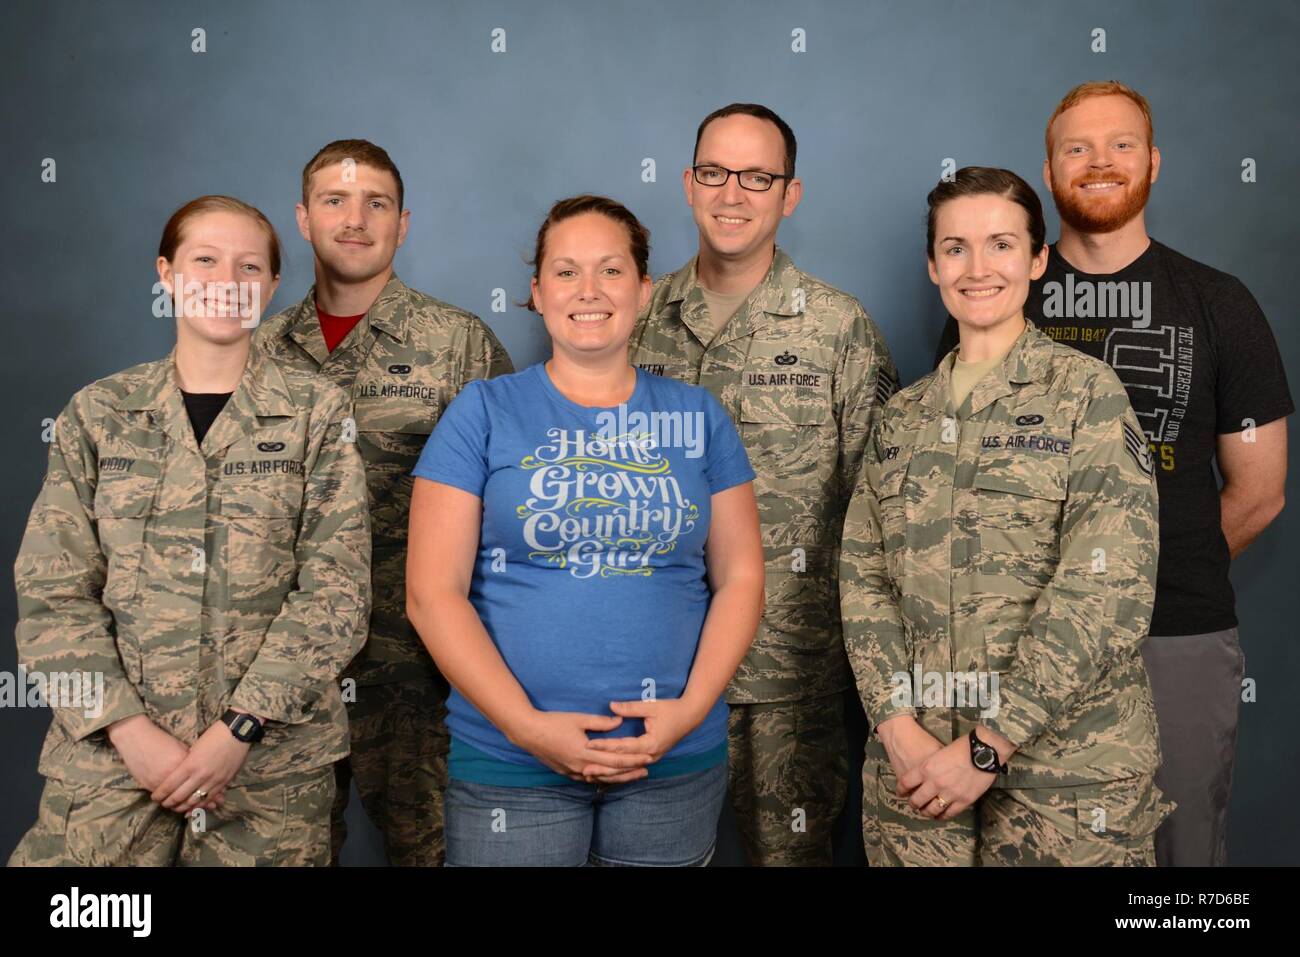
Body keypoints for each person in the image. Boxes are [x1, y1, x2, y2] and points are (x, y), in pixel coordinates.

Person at [931, 82, 1291, 866]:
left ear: (1154, 162)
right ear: (1051, 170)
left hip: (1177, 628)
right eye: (1077, 148)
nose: (1099, 162)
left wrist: (1116, 590)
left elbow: (1261, 491)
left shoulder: (1220, 305)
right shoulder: (994, 292)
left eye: (1121, 145)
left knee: (1179, 852)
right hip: (1009, 643)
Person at [9, 195, 370, 866]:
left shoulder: (318, 414)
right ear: (167, 273)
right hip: (110, 768)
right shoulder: (100, 413)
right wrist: (128, 729)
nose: (227, 283)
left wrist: (238, 730)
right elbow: (53, 592)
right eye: (205, 260)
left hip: (268, 774)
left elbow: (336, 590)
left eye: (249, 267)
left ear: (269, 286)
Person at [407, 194, 764, 866]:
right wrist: (527, 727)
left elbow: (742, 577)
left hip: (673, 765)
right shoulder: (482, 412)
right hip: (509, 763)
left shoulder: (699, 417)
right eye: (566, 272)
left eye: (611, 270)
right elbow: (432, 592)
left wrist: (686, 712)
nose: (589, 291)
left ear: (644, 290)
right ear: (538, 293)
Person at [842, 167, 1168, 866]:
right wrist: (895, 724)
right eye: (956, 248)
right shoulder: (901, 417)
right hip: (918, 771)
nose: (978, 267)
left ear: (1038, 258)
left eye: (1001, 245)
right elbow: (862, 576)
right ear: (933, 266)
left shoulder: (1088, 396)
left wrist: (992, 742)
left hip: (1067, 774)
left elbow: (1107, 587)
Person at [628, 103, 898, 866]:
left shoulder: (839, 329)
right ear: (687, 183)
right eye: (714, 172)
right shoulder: (633, 318)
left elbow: (876, 512)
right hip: (653, 661)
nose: (732, 194)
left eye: (757, 177)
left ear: (791, 193)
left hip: (794, 674)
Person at [254, 140, 514, 866]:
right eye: (335, 200)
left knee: (434, 853)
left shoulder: (459, 343)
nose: (356, 218)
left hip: (418, 672)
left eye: (377, 202)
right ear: (303, 219)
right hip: (283, 667)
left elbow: (512, 508)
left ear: (403, 225)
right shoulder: (258, 352)